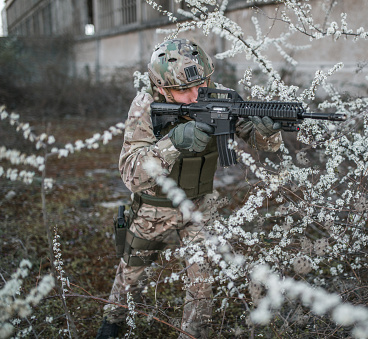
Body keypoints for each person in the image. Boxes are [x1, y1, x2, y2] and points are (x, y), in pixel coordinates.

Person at [96, 38, 282, 339]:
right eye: (183, 91)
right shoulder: (145, 109)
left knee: (201, 286)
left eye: (201, 84)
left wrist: (267, 130)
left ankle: (193, 333)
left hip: (199, 207)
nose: (196, 96)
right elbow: (130, 173)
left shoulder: (217, 96)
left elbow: (258, 139)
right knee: (132, 271)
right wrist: (174, 143)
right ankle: (113, 319)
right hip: (154, 209)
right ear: (161, 89)